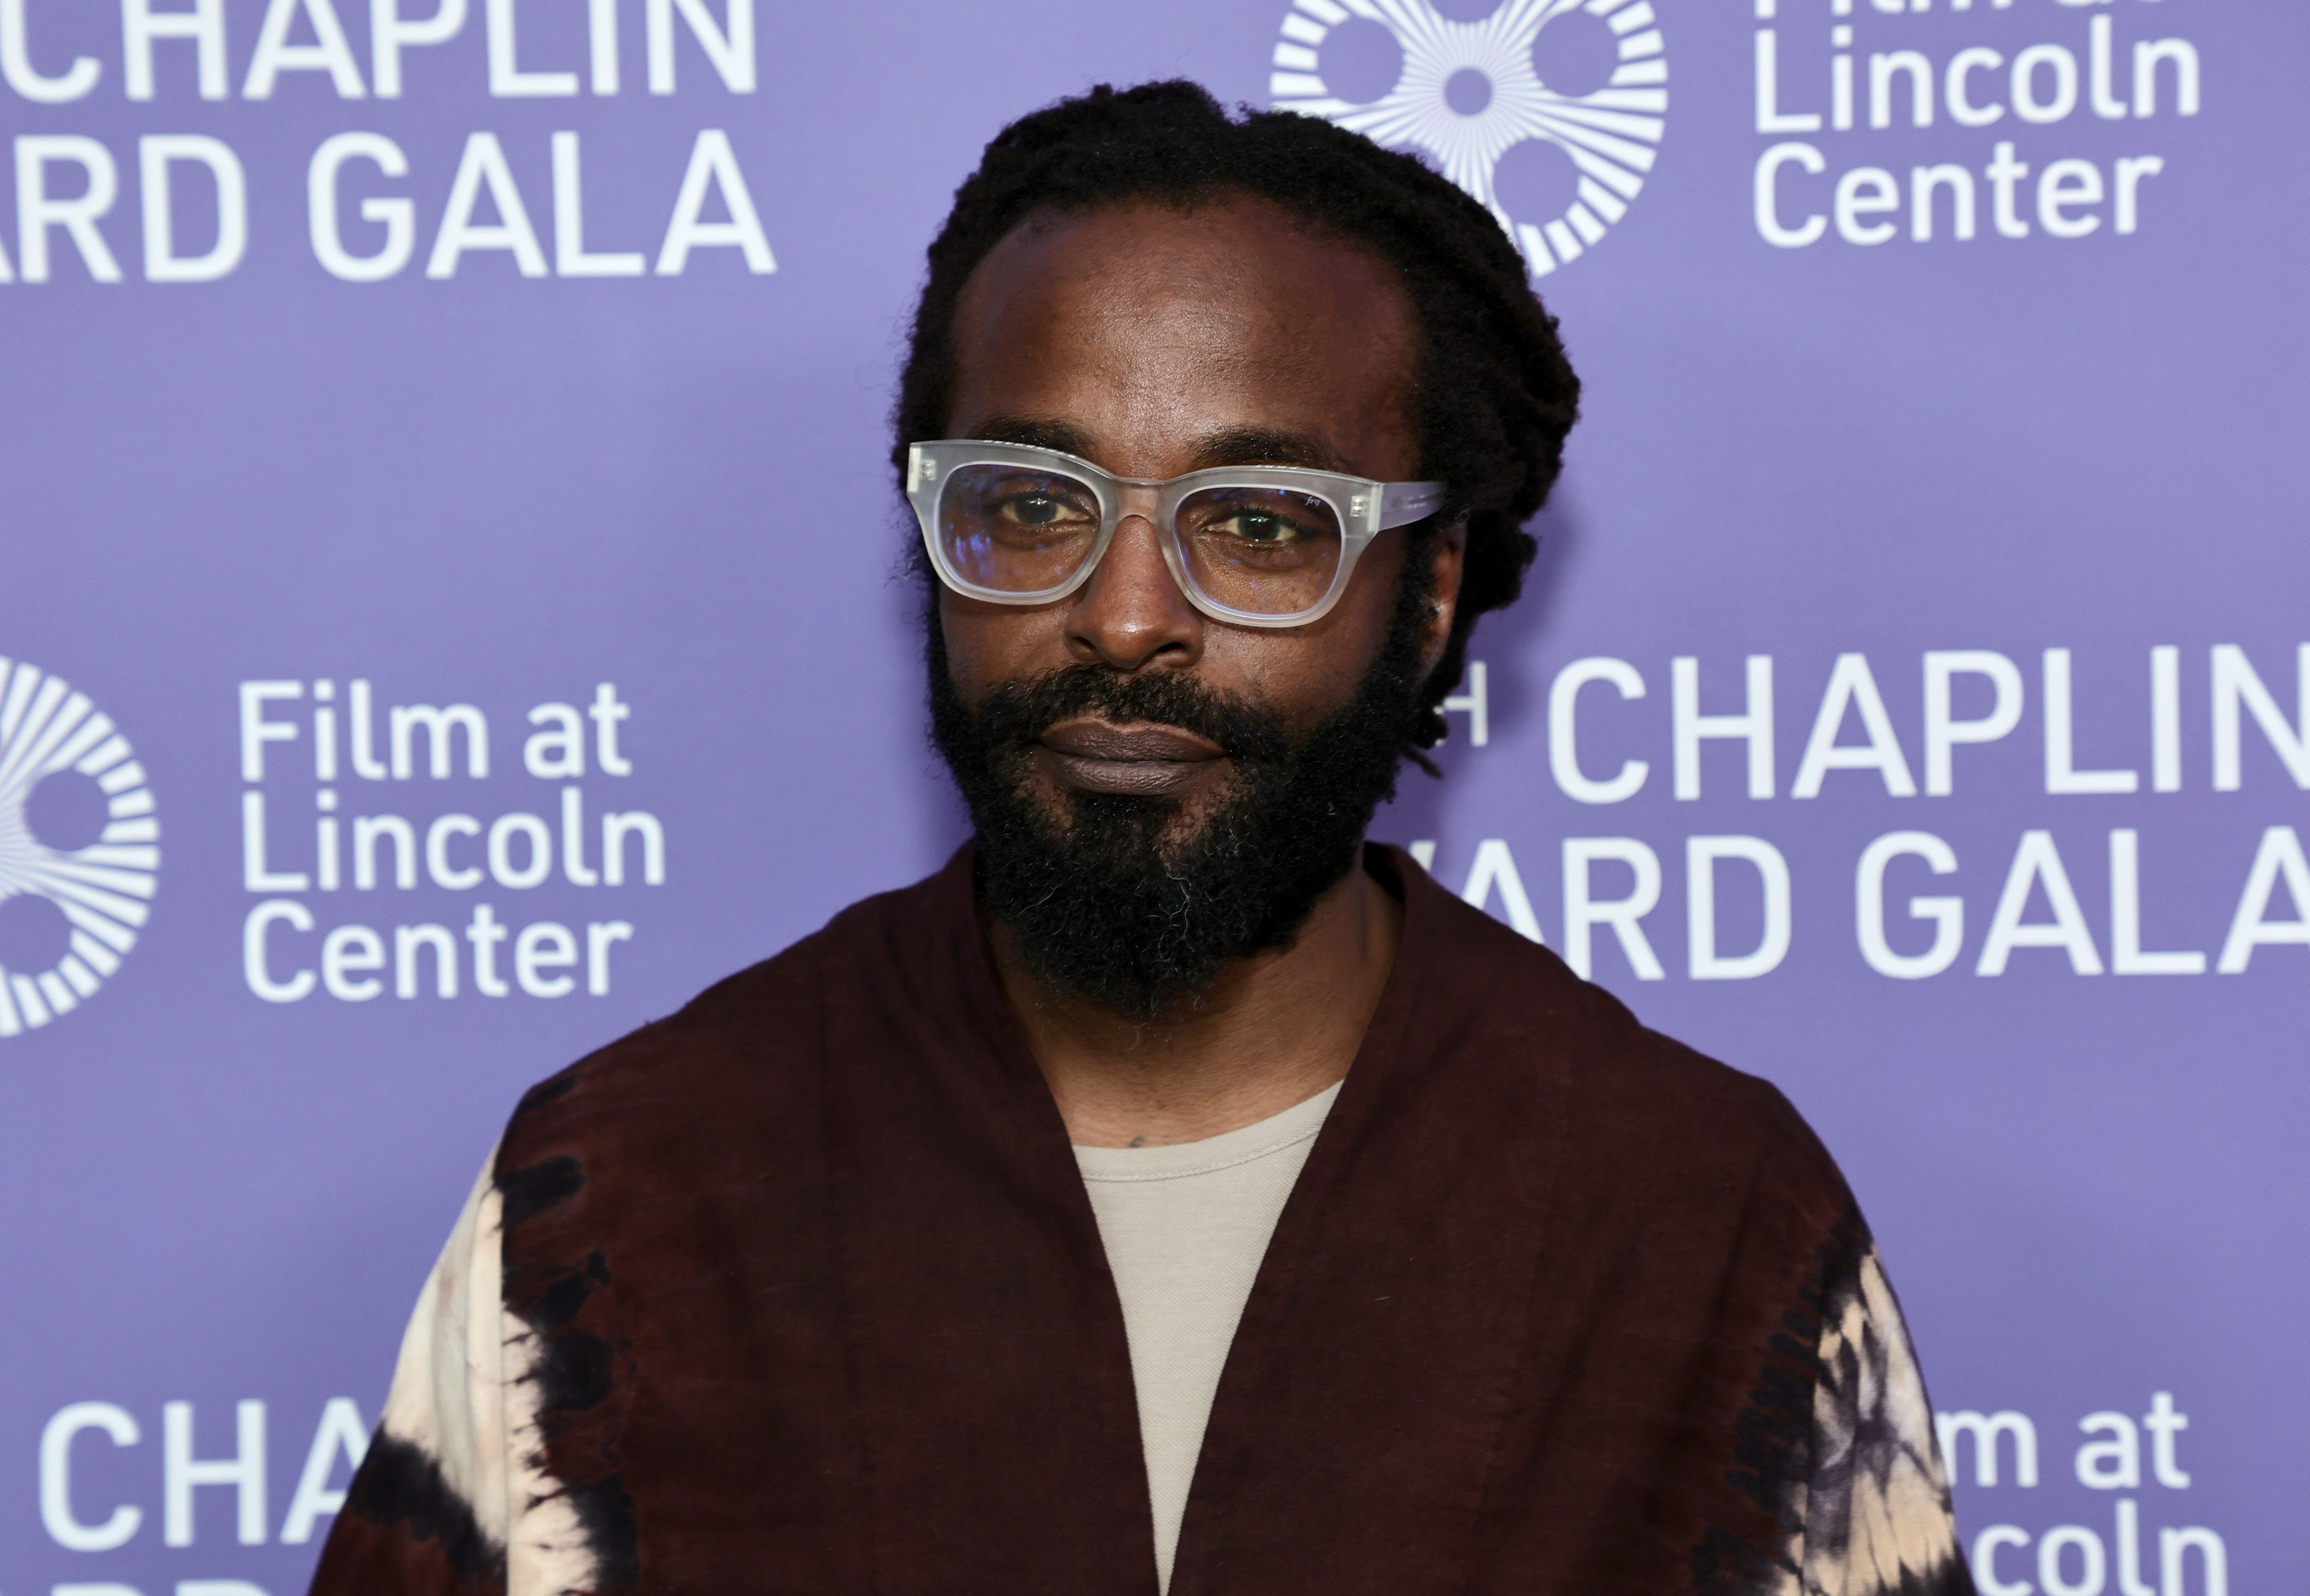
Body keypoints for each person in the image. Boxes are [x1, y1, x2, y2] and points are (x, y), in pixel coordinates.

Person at [310, 81, 1969, 1596]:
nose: (1122, 617)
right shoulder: (627, 1190)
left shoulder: (1697, 1216)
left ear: (1430, 591)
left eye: (1258, 525)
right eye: (1033, 504)